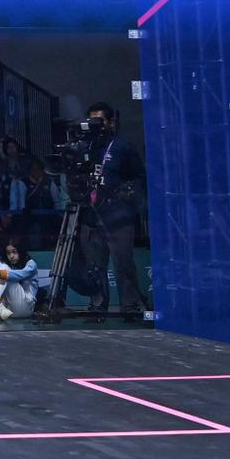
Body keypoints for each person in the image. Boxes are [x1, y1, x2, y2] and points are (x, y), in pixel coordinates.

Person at [79, 103, 149, 319]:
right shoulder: (86, 146)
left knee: (123, 263)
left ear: (110, 122)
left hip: (119, 215)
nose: (96, 126)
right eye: (92, 122)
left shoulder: (122, 146)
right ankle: (98, 306)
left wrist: (132, 198)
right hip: (91, 212)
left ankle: (130, 307)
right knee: (94, 265)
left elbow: (138, 176)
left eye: (100, 121)